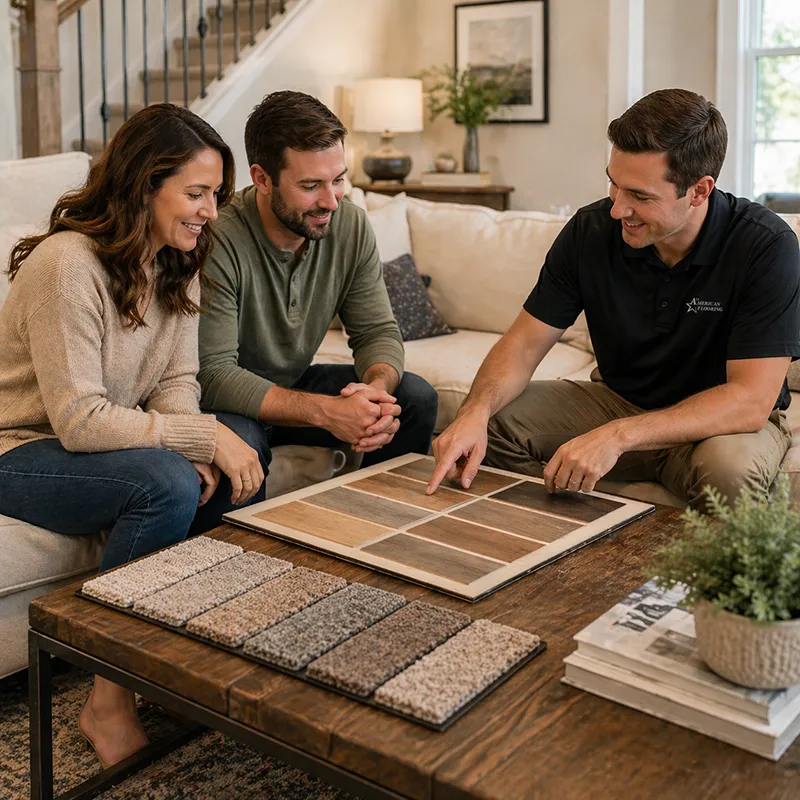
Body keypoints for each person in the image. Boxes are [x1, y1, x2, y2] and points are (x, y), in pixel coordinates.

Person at [0, 104, 264, 766]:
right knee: (170, 478)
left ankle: (183, 662)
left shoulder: (177, 259)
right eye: (196, 193)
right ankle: (108, 694)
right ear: (145, 185)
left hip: (98, 443)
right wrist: (193, 441)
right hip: (19, 449)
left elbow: (177, 382)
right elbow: (79, 418)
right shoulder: (67, 265)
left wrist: (198, 436)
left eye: (215, 196)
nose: (210, 211)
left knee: (243, 449)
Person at [427, 88, 800, 510]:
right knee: (488, 424)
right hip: (615, 401)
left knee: (731, 475)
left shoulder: (765, 245)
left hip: (720, 426)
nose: (618, 209)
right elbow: (524, 343)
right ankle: (568, 542)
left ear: (699, 191)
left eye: (640, 196)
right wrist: (473, 411)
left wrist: (618, 436)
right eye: (614, 184)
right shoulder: (590, 231)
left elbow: (750, 400)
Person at [195, 90, 438, 516]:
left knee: (414, 398)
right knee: (242, 451)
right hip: (224, 404)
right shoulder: (218, 237)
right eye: (310, 186)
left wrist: (373, 392)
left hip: (291, 383)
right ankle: (240, 569)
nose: (331, 200)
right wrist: (326, 412)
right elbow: (213, 374)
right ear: (263, 178)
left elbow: (377, 332)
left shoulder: (350, 225)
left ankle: (375, 532)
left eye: (338, 179)